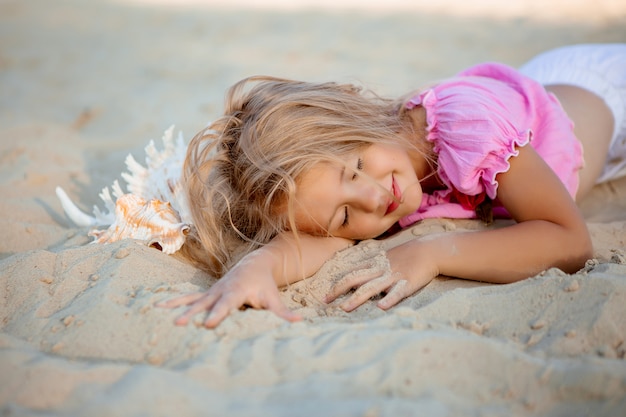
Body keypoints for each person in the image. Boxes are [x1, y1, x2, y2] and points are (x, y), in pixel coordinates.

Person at [157, 43, 626, 328]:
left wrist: (432, 253)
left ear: (356, 118)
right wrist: (254, 269)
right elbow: (309, 245)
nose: (374, 198)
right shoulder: (375, 183)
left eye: (356, 167)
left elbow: (569, 240)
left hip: (606, 88)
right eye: (343, 216)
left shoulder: (470, 128)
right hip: (548, 96)